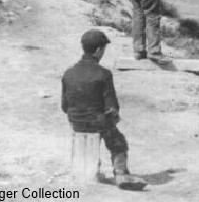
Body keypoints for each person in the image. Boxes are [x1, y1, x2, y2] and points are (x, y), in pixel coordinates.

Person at [61, 29, 146, 190]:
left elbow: (64, 106)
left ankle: (93, 167)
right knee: (118, 142)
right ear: (99, 50)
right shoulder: (104, 74)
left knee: (95, 123)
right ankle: (121, 173)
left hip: (75, 122)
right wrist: (113, 119)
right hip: (97, 122)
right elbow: (112, 107)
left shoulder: (68, 73)